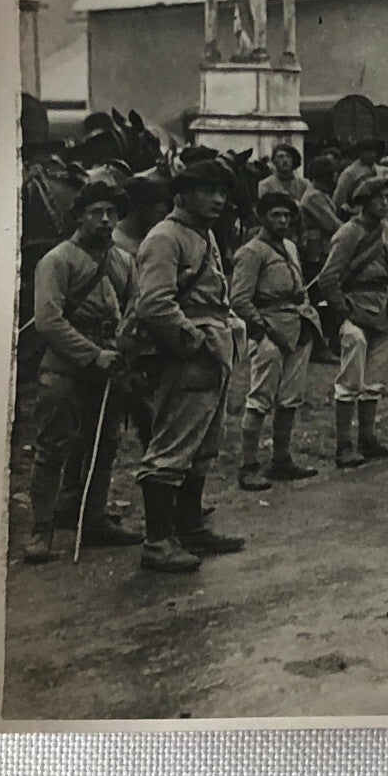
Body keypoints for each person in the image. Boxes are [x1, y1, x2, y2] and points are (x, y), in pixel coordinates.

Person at [132, 159, 247, 573]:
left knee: (202, 446)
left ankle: (190, 526)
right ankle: (158, 541)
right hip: (186, 356)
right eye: (207, 190)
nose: (218, 199)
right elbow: (154, 304)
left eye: (221, 191)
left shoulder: (202, 234)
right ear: (182, 194)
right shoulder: (166, 237)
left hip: (212, 352)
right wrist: (193, 342)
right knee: (171, 448)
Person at [24, 180, 142, 563]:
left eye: (111, 213)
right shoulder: (58, 260)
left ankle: (93, 520)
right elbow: (48, 321)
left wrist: (124, 343)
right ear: (80, 216)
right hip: (65, 368)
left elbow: (133, 307)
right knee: (52, 447)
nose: (105, 220)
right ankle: (41, 530)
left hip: (108, 369)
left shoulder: (124, 260)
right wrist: (93, 355)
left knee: (101, 446)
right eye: (96, 213)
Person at [230, 191, 323, 490]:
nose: (282, 221)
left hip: (297, 327)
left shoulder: (290, 247)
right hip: (268, 330)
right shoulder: (252, 251)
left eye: (286, 215)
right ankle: (248, 466)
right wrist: (262, 331)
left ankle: (281, 460)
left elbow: (300, 289)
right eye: (275, 215)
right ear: (262, 217)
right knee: (260, 400)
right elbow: (240, 299)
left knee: (291, 397)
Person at [318, 176, 388, 467]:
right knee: (350, 381)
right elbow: (328, 278)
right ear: (364, 202)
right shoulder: (349, 233)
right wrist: (343, 316)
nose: (385, 203)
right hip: (356, 308)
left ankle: (368, 438)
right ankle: (344, 445)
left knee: (374, 381)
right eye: (378, 198)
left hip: (385, 311)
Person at [112, 170, 172, 260]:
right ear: (140, 208)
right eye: (156, 206)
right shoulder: (114, 243)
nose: (164, 211)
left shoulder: (152, 238)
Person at [332, 140, 383, 214]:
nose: (372, 155)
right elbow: (339, 199)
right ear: (360, 153)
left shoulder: (380, 170)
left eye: (374, 152)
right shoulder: (350, 173)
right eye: (368, 152)